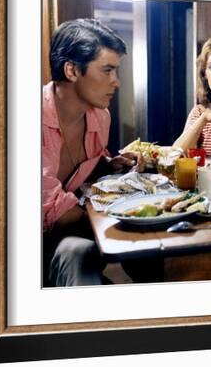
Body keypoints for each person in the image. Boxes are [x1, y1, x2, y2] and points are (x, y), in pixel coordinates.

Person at [42, 18, 144, 287]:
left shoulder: (100, 117)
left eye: (116, 71)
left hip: (75, 229)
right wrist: (135, 211)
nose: (117, 82)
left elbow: (86, 168)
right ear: (72, 70)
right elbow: (58, 215)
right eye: (107, 70)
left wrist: (109, 164)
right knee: (78, 251)